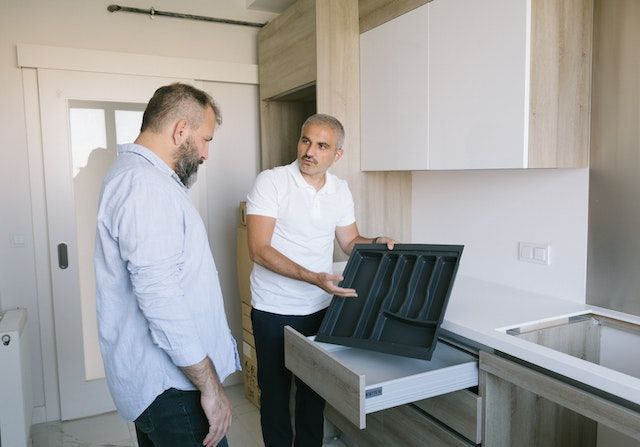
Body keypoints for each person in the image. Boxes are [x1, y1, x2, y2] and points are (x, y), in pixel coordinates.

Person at [94, 83, 240, 447]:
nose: (206, 153)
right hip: (175, 388)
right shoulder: (144, 185)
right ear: (180, 130)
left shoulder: (140, 177)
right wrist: (210, 386)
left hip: (161, 383)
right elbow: (160, 298)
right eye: (205, 139)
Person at [245, 113, 395, 446]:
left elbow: (349, 241)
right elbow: (258, 249)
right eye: (306, 140)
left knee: (315, 392)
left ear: (337, 154)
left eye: (322, 145)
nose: (309, 151)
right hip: (274, 307)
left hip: (321, 306)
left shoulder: (340, 190)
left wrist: (376, 242)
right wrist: (313, 277)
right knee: (276, 395)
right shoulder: (272, 182)